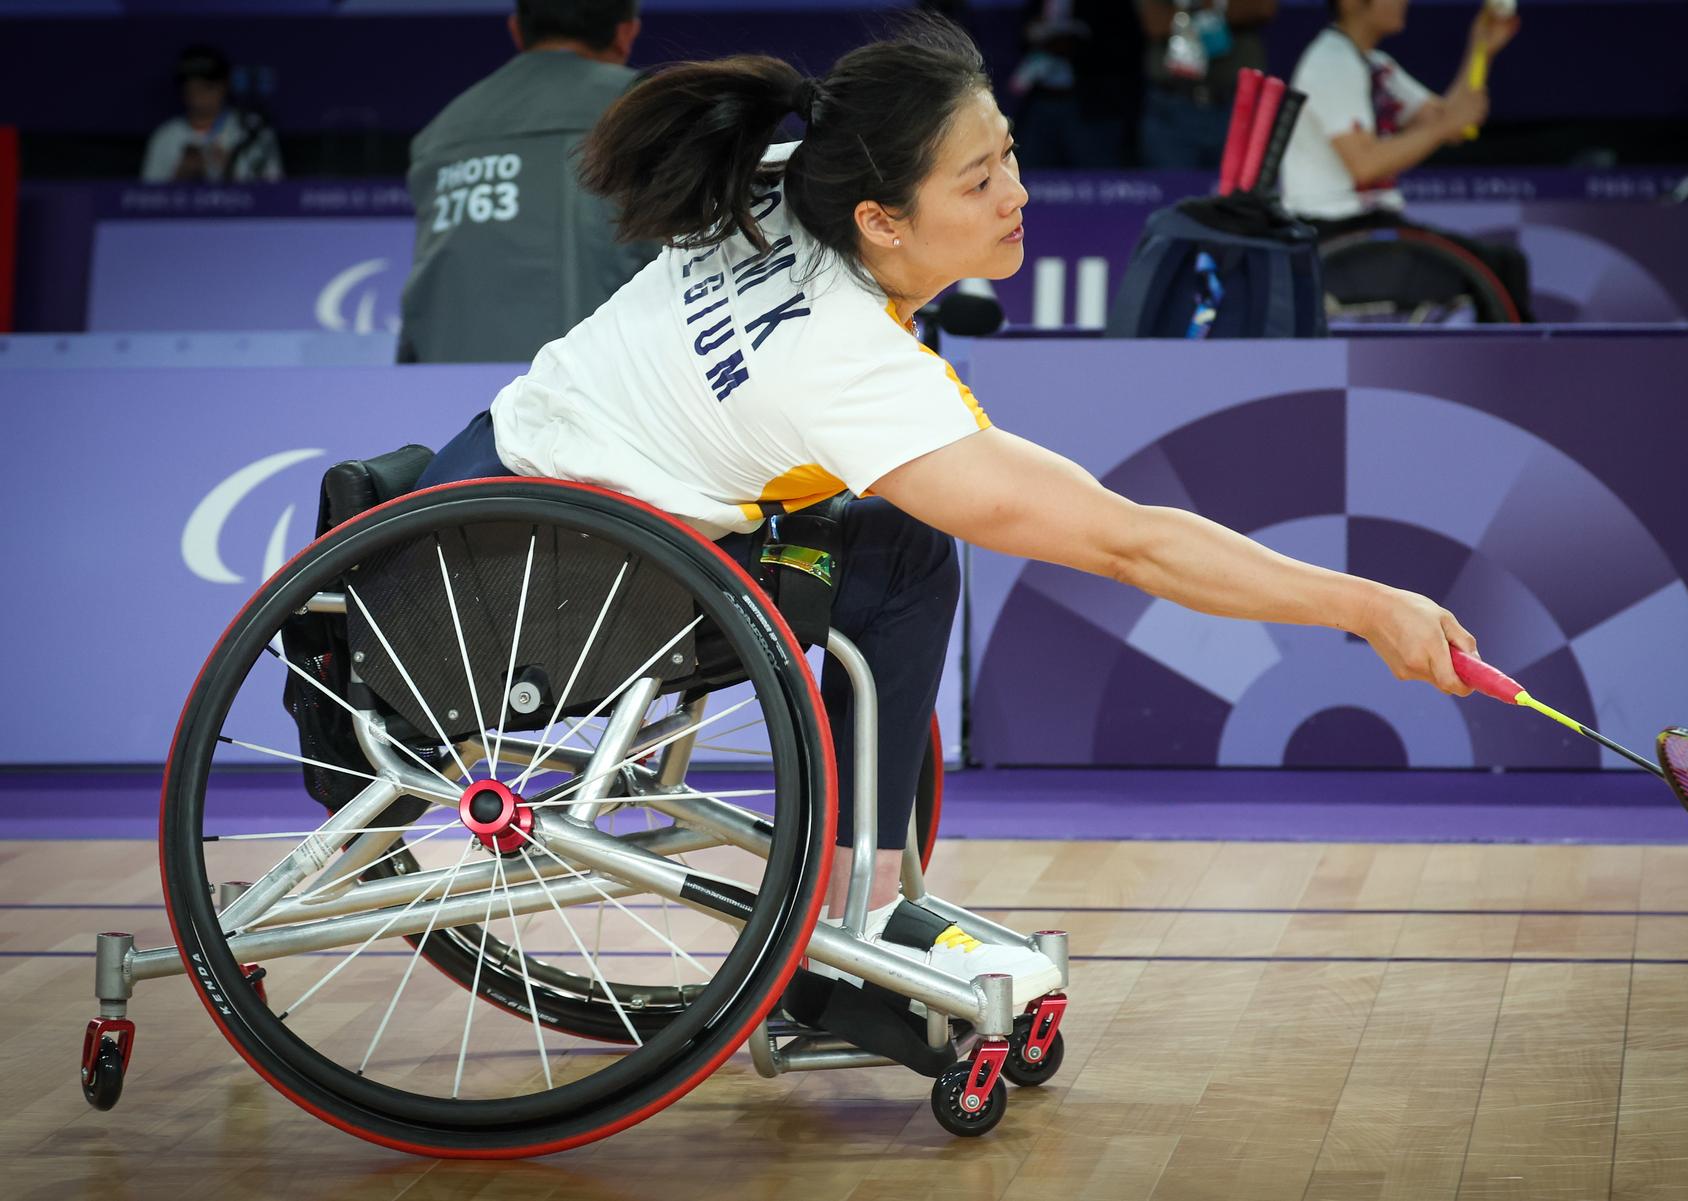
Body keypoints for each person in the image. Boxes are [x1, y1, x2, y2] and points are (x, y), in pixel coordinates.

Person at [413, 14, 1478, 998]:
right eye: (977, 183)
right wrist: (1369, 606)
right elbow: (1129, 545)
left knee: (886, 544)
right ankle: (857, 914)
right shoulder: (850, 371)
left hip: (473, 499)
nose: (1016, 193)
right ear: (880, 218)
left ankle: (853, 892)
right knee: (907, 545)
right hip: (545, 596)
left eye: (1007, 152)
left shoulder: (789, 178)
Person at [394, 0, 660, 364]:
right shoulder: (651, 108)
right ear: (626, 32)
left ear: (516, 31)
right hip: (601, 396)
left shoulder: (440, 133)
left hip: (453, 399)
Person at [1281, 0, 1534, 321]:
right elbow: (1365, 164)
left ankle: (1509, 366)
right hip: (1335, 240)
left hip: (1376, 230)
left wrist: (1481, 50)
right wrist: (1445, 125)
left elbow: (1448, 121)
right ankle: (1517, 367)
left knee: (1505, 264)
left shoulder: (1373, 64)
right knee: (1495, 271)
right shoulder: (1330, 63)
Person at [1137, 0, 1276, 169]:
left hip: (1237, 104)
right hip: (1173, 106)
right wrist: (1217, 7)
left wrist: (1188, 11)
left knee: (1242, 193)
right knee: (1174, 191)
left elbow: (1261, 8)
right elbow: (1155, 22)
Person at [1008, 0, 1144, 168]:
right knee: (1028, 172)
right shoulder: (1036, 5)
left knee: (1098, 175)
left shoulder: (1109, 6)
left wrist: (1074, 44)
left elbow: (1123, 45)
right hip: (1040, 100)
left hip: (1092, 105)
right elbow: (1021, 35)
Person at [141, 45, 283, 184]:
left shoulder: (252, 131)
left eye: (207, 87)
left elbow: (274, 192)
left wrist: (231, 168)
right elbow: (142, 199)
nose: (199, 96)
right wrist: (180, 177)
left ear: (224, 86)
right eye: (192, 88)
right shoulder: (166, 136)